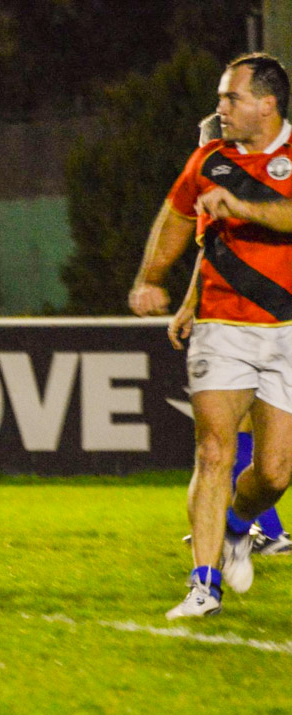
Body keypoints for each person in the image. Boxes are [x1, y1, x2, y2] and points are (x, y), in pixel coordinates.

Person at [129, 53, 292, 618]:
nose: (221, 108)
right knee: (214, 449)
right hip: (222, 326)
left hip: (287, 330)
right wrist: (152, 280)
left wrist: (241, 205)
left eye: (232, 98)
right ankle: (204, 584)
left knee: (275, 471)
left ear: (267, 104)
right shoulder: (209, 159)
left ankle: (240, 524)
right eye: (221, 98)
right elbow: (178, 219)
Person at [166, 112, 290, 556]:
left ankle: (262, 530)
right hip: (250, 322)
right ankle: (255, 529)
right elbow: (213, 254)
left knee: (244, 440)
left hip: (265, 323)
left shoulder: (237, 188)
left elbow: (212, 252)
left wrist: (186, 305)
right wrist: (188, 305)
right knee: (237, 437)